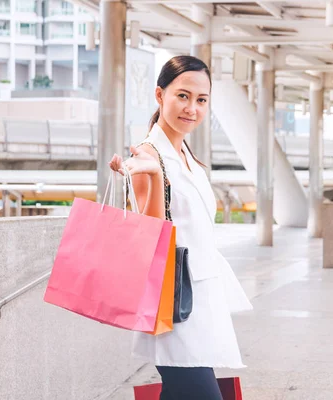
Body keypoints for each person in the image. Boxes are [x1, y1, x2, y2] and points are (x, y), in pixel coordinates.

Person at [108, 55, 252, 400]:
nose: (192, 108)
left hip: (198, 302)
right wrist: (155, 176)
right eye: (183, 96)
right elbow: (151, 235)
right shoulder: (149, 153)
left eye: (201, 100)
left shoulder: (187, 154)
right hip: (173, 307)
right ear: (160, 96)